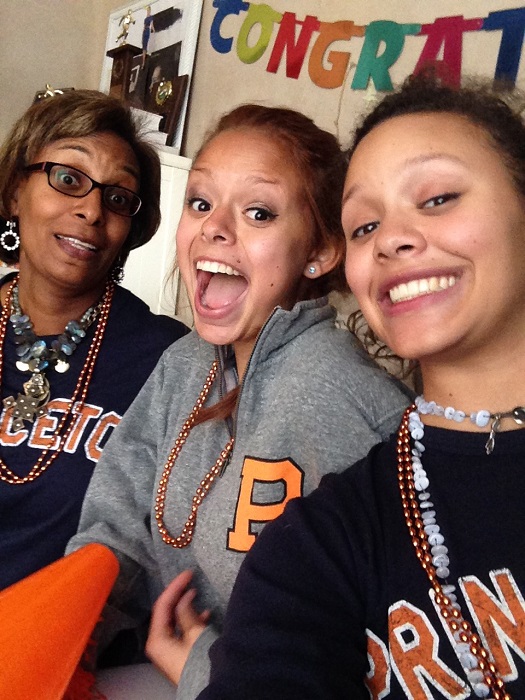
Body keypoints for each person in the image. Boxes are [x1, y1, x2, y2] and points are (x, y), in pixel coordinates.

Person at [197, 74, 525, 700]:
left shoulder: (329, 387)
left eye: (437, 198)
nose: (392, 239)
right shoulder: (319, 542)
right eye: (364, 226)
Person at [67, 103, 412, 698]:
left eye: (258, 212)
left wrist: (202, 667)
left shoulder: (357, 405)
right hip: (142, 669)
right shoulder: (182, 363)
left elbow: (387, 653)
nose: (215, 227)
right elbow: (115, 521)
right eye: (201, 203)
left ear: (321, 251)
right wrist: (71, 624)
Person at [0, 90, 188, 591]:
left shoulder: (170, 359)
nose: (91, 210)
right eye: (67, 179)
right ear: (16, 191)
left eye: (118, 197)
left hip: (78, 651)